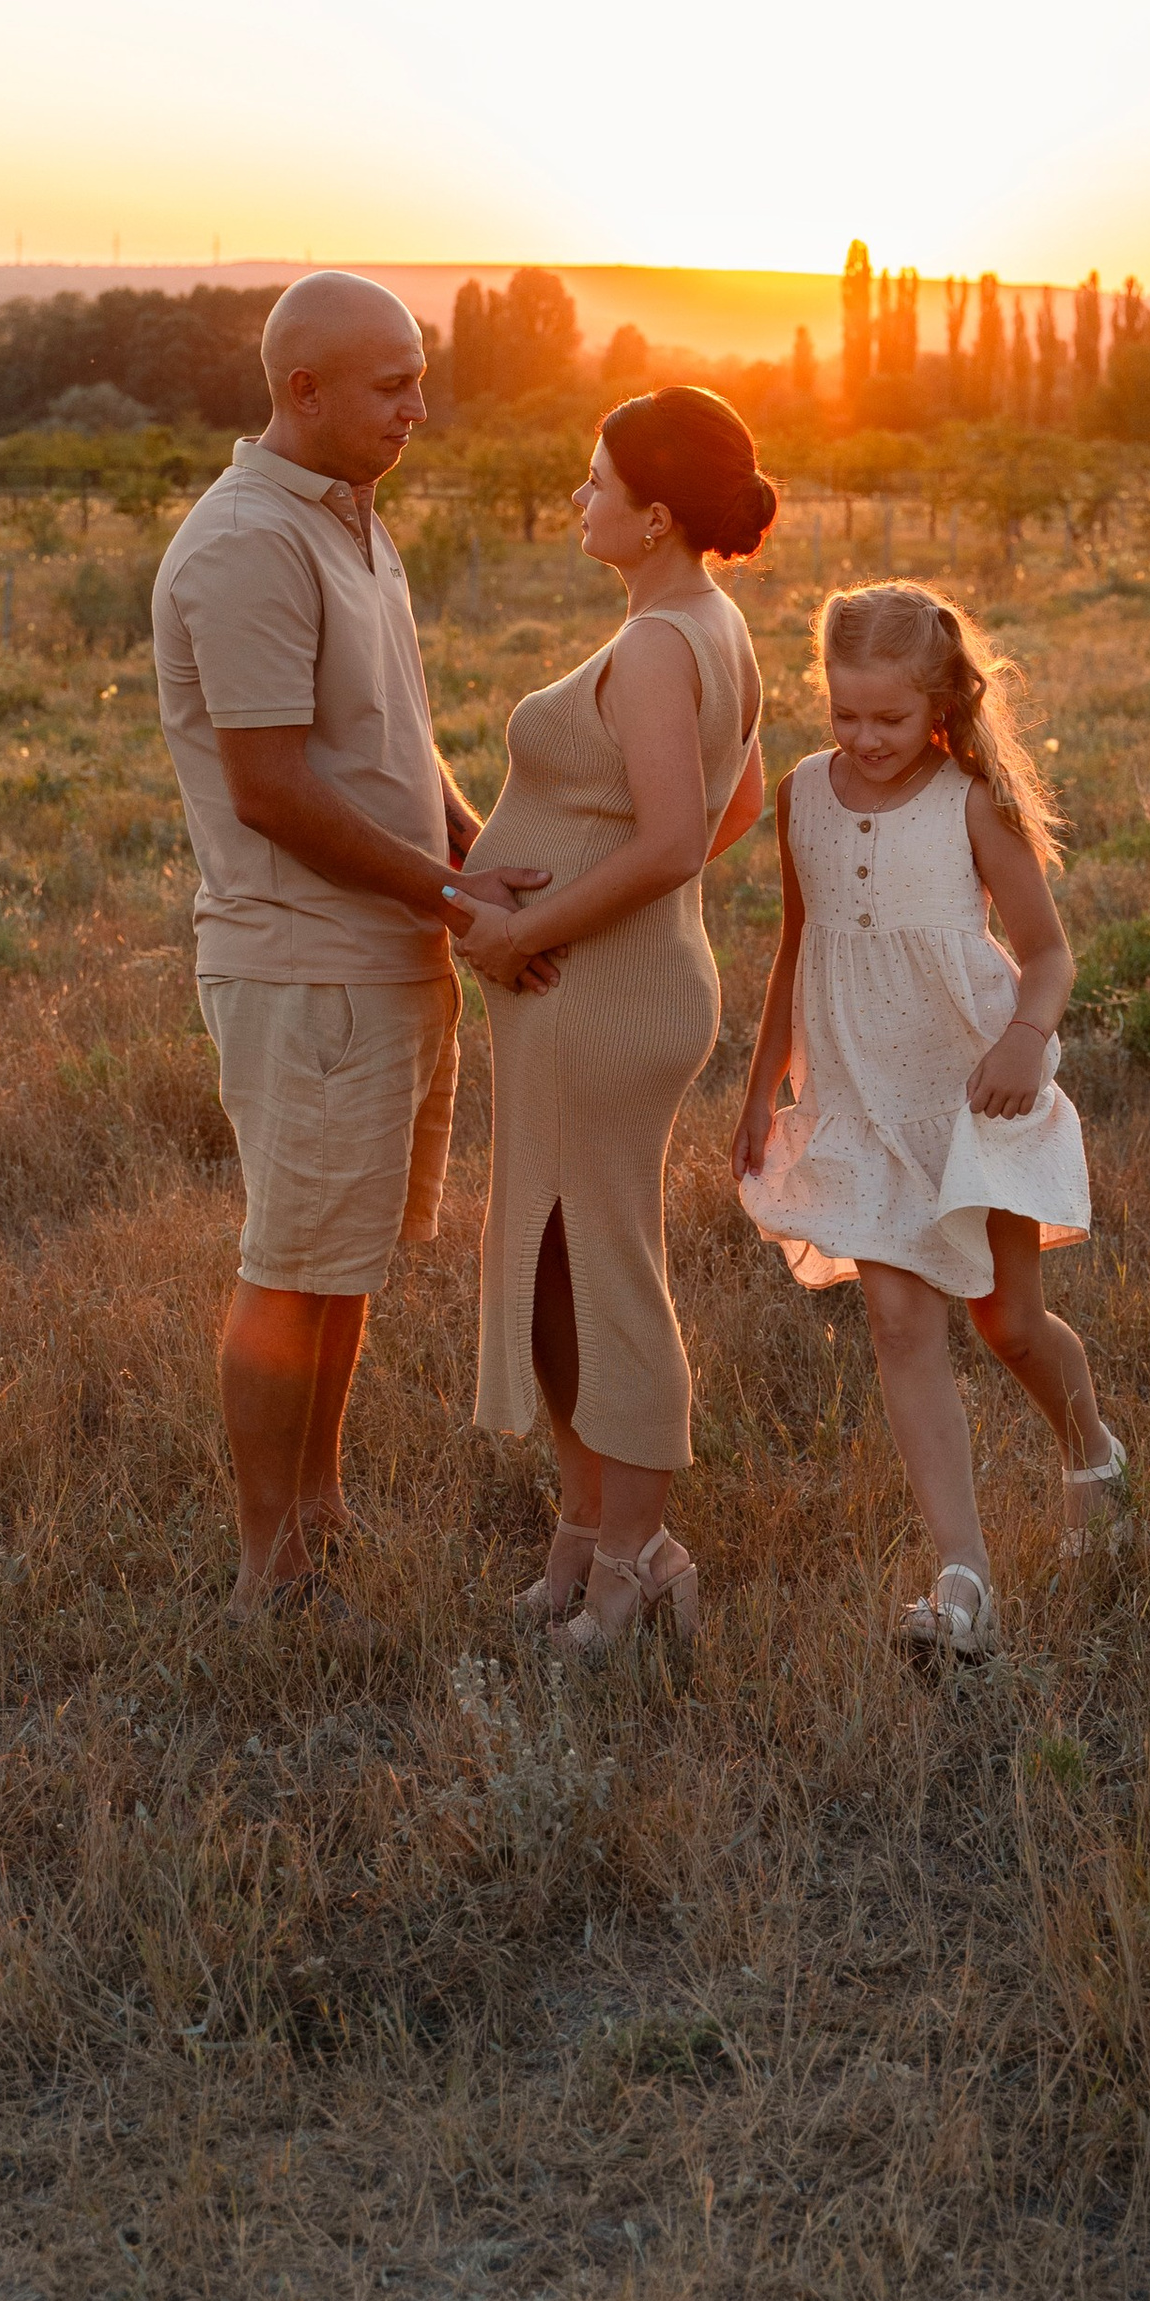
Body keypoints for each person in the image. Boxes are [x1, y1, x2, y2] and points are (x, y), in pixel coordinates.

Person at [152, 272, 552, 1619]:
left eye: (420, 378)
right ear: (300, 388)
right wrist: (453, 902)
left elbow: (396, 742)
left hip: (388, 952)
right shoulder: (249, 541)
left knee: (349, 1260)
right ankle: (269, 1563)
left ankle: (323, 1507)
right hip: (307, 962)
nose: (418, 409)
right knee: (292, 1261)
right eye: (391, 385)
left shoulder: (354, 522)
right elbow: (271, 787)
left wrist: (469, 855)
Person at [731, 582, 1115, 1661]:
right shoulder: (803, 791)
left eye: (888, 718)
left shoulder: (971, 802)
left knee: (1007, 1323)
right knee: (899, 1323)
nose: (864, 738)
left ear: (937, 699)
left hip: (972, 1093)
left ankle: (1090, 1449)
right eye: (844, 713)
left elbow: (1047, 954)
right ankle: (963, 1581)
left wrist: (1025, 1039)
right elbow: (795, 948)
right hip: (858, 1093)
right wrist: (765, 1086)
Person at [457, 388, 770, 1660]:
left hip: (599, 996)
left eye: (593, 483)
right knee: (554, 1266)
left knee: (605, 1270)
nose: (576, 498)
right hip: (607, 987)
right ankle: (584, 1536)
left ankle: (636, 1563)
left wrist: (534, 927)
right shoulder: (704, 622)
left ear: (652, 516)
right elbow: (731, 801)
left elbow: (674, 839)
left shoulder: (657, 644)